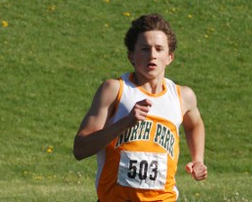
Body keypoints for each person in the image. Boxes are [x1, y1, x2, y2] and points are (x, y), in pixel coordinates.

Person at [73, 13, 207, 202]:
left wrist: (198, 159)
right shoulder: (115, 90)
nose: (152, 55)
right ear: (131, 56)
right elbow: (80, 149)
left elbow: (194, 125)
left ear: (169, 57)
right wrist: (125, 123)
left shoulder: (182, 96)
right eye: (145, 49)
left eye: (159, 49)